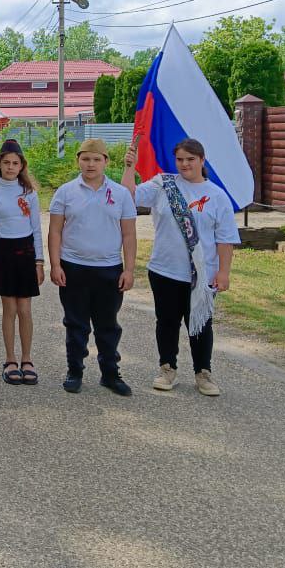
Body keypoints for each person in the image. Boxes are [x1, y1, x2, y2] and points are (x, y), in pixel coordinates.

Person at [122, 136, 239, 396]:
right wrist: (130, 166)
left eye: (190, 159)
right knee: (167, 322)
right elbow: (127, 197)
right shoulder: (163, 184)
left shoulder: (217, 196)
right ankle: (167, 368)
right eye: (180, 159)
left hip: (203, 274)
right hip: (164, 269)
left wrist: (223, 272)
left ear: (202, 160)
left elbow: (225, 239)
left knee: (200, 324)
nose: (185, 164)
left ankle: (203, 373)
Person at [47, 139, 137, 396]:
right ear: (78, 160)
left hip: (109, 269)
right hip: (73, 267)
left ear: (106, 162)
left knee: (108, 325)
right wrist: (55, 265)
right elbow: (55, 231)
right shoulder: (65, 192)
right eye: (86, 159)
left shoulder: (120, 194)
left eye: (97, 159)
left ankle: (110, 374)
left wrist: (129, 270)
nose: (91, 164)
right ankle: (74, 371)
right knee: (76, 324)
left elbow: (129, 235)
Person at [0, 140, 45, 385]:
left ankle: (27, 359)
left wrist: (40, 261)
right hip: (3, 253)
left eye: (15, 163)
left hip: (26, 252)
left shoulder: (29, 193)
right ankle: (10, 359)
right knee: (9, 309)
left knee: (25, 310)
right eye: (5, 162)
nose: (10, 167)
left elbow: (37, 229)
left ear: (21, 166)